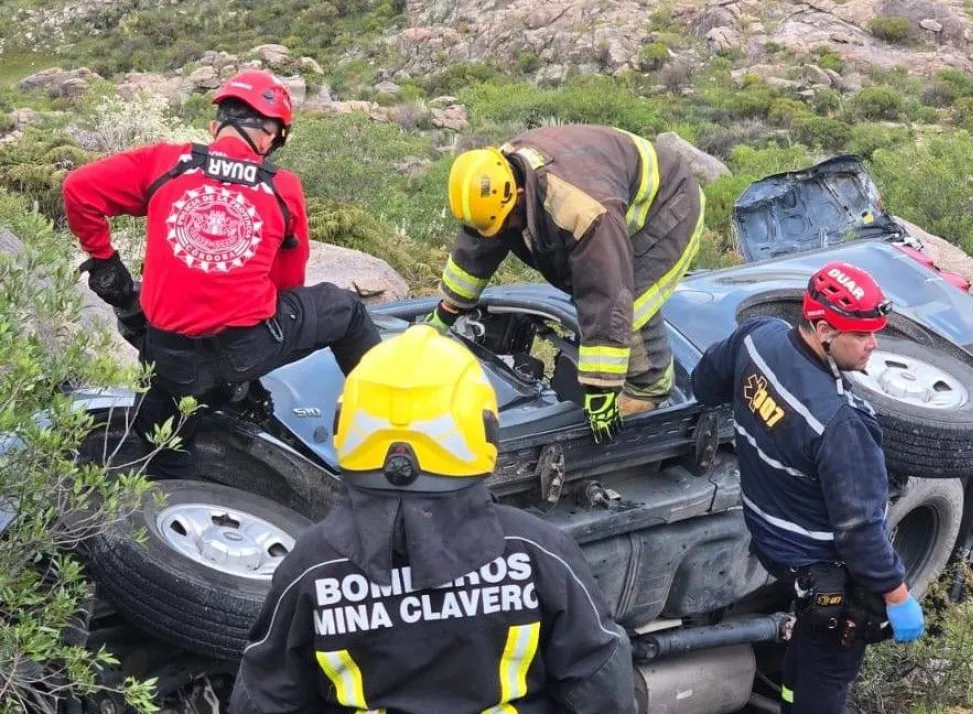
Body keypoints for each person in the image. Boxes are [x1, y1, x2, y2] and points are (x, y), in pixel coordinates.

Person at [229, 324, 637, 714]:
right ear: (484, 432)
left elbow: (267, 698)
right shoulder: (538, 552)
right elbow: (601, 686)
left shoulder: (313, 565)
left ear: (346, 427)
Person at [62, 69, 381, 478]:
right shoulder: (282, 187)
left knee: (164, 453)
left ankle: (176, 484)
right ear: (270, 136)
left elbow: (78, 189)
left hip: (171, 361)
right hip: (249, 349)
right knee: (347, 310)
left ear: (216, 127)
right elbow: (288, 285)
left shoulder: (163, 163)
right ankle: (384, 419)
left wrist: (104, 259)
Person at [689, 261, 925, 714]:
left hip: (772, 542)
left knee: (809, 641)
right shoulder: (841, 423)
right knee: (829, 667)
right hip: (822, 570)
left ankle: (791, 694)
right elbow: (861, 534)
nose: (874, 345)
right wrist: (897, 596)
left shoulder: (757, 337)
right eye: (861, 335)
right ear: (822, 328)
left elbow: (705, 383)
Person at [424, 124, 706, 443]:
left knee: (629, 307)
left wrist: (600, 391)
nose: (503, 231)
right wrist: (446, 312)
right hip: (607, 192)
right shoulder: (491, 182)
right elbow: (477, 247)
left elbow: (606, 295)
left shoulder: (582, 210)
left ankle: (650, 391)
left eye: (507, 222)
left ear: (518, 195)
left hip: (668, 208)